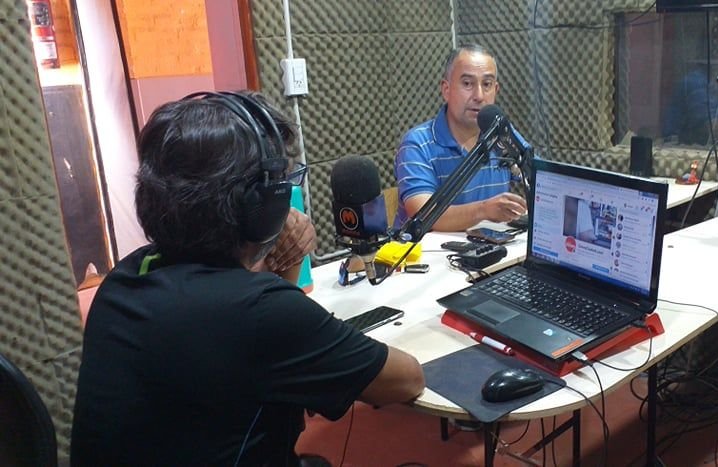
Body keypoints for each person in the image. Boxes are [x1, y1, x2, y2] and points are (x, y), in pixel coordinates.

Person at [71, 92, 425, 466]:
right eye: (282, 183)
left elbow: (273, 352)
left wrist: (282, 258)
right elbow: (405, 380)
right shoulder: (259, 311)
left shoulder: (124, 280)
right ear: (260, 205)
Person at [394, 43, 528, 232]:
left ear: (496, 90)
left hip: (490, 254)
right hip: (429, 258)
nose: (479, 95)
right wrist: (483, 210)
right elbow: (422, 215)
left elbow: (540, 178)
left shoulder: (501, 134)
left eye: (487, 84)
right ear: (446, 89)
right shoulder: (417, 144)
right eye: (467, 84)